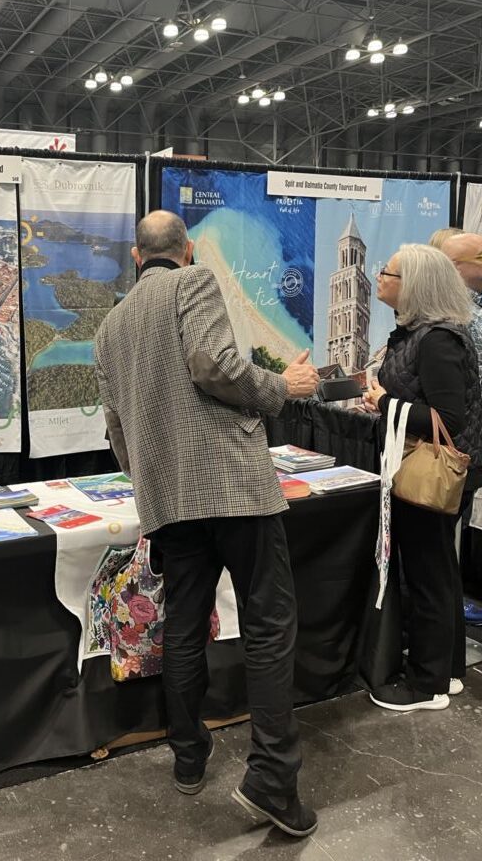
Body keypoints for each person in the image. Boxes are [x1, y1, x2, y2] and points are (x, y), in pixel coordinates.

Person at [94, 210, 320, 838]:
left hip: (167, 499)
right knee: (269, 626)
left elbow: (117, 429)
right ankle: (272, 779)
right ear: (187, 251)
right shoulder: (194, 282)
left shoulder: (109, 328)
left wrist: (150, 478)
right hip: (233, 486)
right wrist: (285, 385)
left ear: (136, 257)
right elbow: (213, 364)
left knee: (185, 627)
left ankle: (189, 758)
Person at [363, 244, 482, 711]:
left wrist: (383, 403)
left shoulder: (436, 340)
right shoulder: (418, 334)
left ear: (412, 284)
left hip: (435, 472)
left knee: (428, 574)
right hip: (424, 465)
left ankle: (427, 684)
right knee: (438, 571)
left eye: (388, 272)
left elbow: (446, 420)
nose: (379, 277)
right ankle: (446, 671)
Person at [441, 232, 482, 627]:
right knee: (450, 527)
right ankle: (448, 609)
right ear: (457, 268)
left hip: (477, 431)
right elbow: (472, 385)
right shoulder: (464, 315)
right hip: (473, 436)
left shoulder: (475, 307)